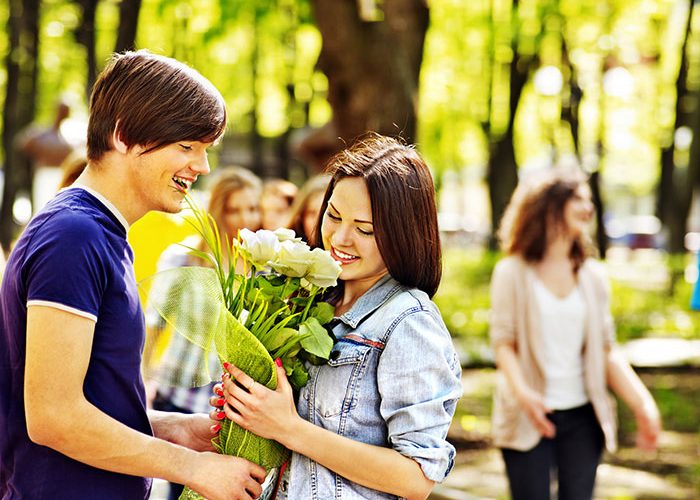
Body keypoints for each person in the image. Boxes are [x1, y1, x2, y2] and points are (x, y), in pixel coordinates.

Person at [0, 50, 265, 500]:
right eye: (187, 147)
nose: (202, 167)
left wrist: (171, 428)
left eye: (204, 151)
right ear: (124, 135)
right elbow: (52, 416)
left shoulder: (97, 231)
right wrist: (193, 468)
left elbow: (84, 400)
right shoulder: (74, 234)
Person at [212, 134, 463, 499]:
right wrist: (246, 406)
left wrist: (289, 428)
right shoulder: (308, 299)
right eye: (333, 215)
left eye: (365, 229)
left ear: (403, 234)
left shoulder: (408, 322)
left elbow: (416, 477)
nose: (340, 238)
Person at [489, 168, 661, 500]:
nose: (588, 207)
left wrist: (643, 405)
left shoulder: (593, 276)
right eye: (578, 198)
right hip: (528, 416)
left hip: (583, 417)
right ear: (549, 205)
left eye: (589, 199)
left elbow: (607, 351)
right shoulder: (511, 272)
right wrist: (525, 395)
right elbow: (503, 344)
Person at [146, 166, 263, 500]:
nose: (244, 217)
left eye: (252, 208)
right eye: (234, 208)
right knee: (178, 490)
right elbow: (153, 327)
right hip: (179, 397)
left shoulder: (266, 269)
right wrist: (143, 381)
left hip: (227, 407)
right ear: (218, 209)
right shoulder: (184, 260)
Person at [286, 173, 331, 245]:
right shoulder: (285, 251)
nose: (318, 221)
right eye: (312, 213)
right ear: (301, 218)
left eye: (326, 213)